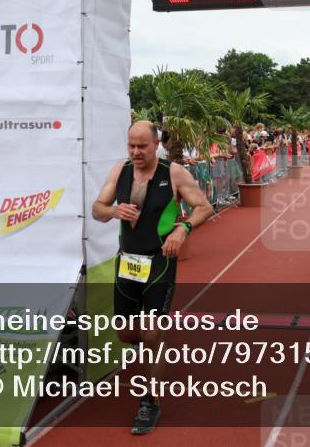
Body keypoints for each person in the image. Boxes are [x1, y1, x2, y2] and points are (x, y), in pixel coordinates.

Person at [91, 120, 213, 436]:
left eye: (142, 146)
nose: (136, 152)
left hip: (159, 262)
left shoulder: (173, 173)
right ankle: (155, 342)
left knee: (150, 334)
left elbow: (204, 207)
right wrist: (114, 212)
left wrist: (182, 230)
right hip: (128, 263)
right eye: (131, 145)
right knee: (125, 334)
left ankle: (150, 401)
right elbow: (97, 208)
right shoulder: (120, 171)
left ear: (156, 144)